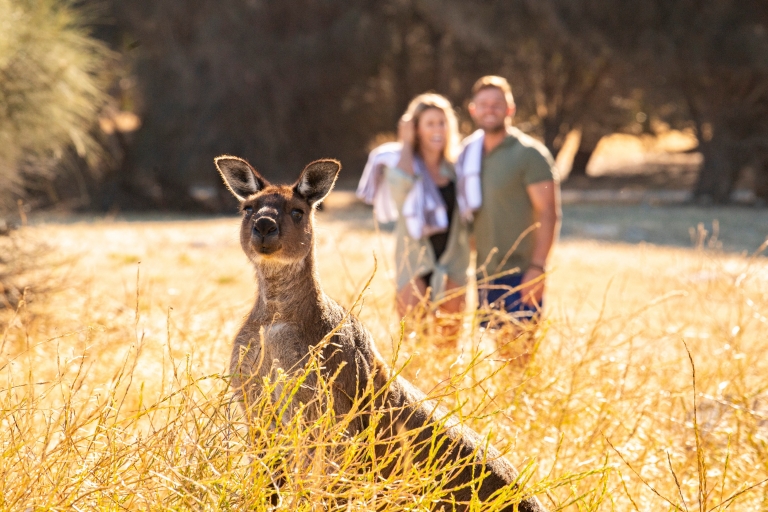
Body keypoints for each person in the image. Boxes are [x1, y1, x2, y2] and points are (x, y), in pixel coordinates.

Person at [457, 76, 561, 328]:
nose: (489, 109)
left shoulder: (529, 154)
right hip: (484, 274)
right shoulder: (467, 154)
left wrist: (538, 268)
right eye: (483, 104)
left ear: (510, 109)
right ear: (473, 110)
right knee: (495, 357)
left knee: (519, 356)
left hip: (521, 273)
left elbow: (548, 212)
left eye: (497, 104)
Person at [357, 93, 469, 320]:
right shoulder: (402, 165)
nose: (438, 129)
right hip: (414, 262)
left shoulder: (457, 169)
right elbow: (403, 188)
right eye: (430, 124)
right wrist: (406, 142)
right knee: (412, 338)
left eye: (442, 123)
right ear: (416, 129)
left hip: (453, 261)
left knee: (448, 341)